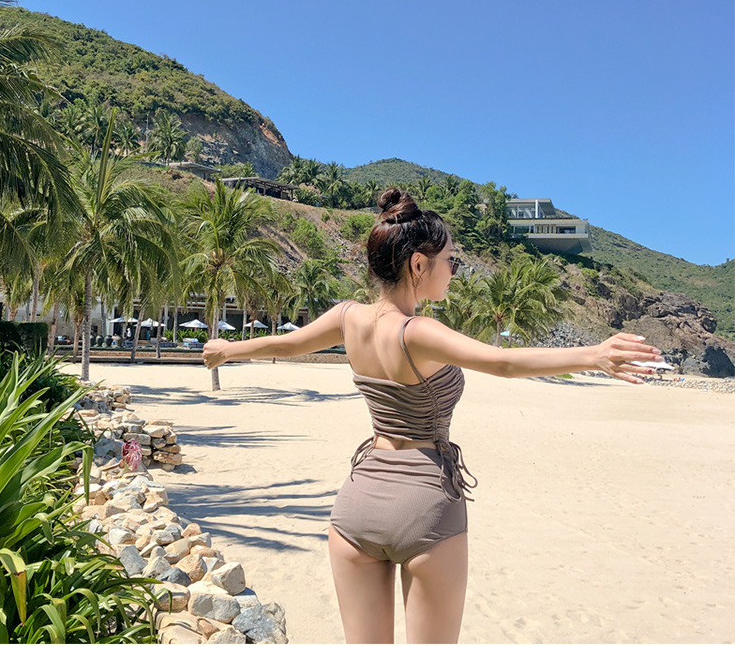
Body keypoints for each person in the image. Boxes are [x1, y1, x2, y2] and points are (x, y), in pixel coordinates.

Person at [202, 188, 663, 644]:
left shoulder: (347, 317)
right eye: (450, 261)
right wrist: (594, 355)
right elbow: (502, 362)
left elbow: (286, 345)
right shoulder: (418, 332)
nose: (453, 272)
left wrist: (227, 349)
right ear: (418, 265)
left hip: (357, 505)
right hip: (425, 505)